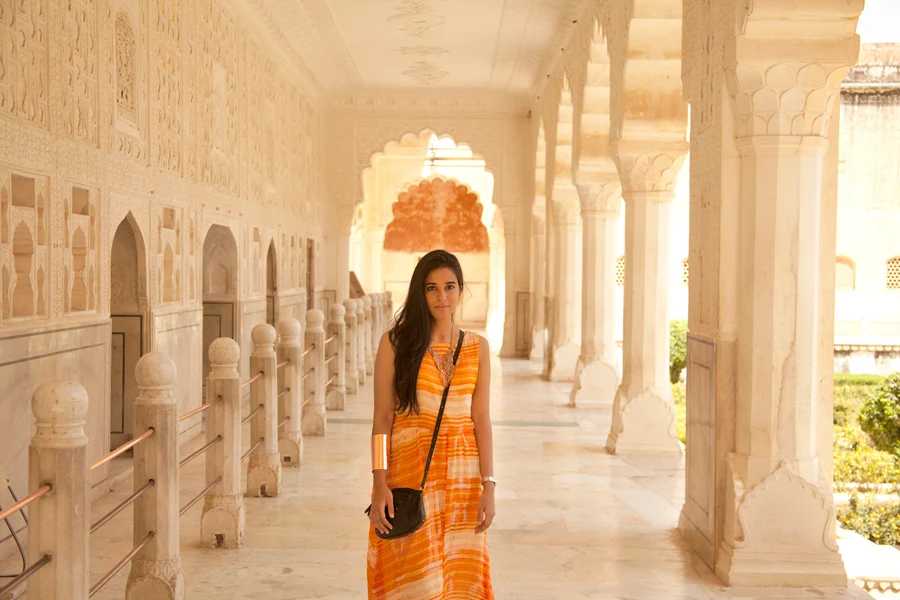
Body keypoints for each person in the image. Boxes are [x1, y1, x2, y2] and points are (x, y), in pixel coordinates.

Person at [366, 249, 495, 599]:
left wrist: (489, 484)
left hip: (462, 484)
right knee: (416, 583)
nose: (442, 297)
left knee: (458, 580)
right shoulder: (395, 344)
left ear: (460, 290)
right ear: (419, 293)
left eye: (450, 287)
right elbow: (382, 418)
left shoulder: (477, 347)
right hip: (410, 477)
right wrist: (380, 482)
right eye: (432, 288)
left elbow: (481, 420)